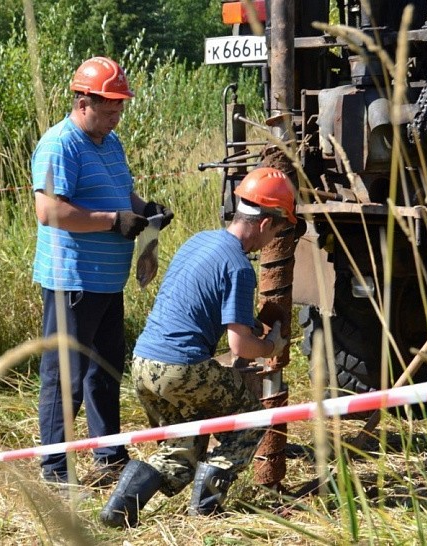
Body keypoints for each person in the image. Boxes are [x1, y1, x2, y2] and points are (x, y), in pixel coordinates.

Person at [99, 166, 296, 528]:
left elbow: (202, 303)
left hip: (143, 365)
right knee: (252, 421)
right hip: (181, 368)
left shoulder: (200, 241)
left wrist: (252, 324)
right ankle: (206, 510)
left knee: (182, 450)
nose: (274, 240)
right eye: (279, 230)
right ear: (267, 224)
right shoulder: (239, 266)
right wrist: (271, 344)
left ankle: (118, 508)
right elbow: (241, 346)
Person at [31, 56, 174, 487]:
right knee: (65, 376)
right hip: (72, 279)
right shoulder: (60, 144)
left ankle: (109, 455)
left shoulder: (110, 143)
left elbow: (122, 194)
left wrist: (145, 212)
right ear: (82, 102)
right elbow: (49, 210)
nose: (116, 117)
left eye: (119, 109)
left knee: (104, 369)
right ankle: (55, 468)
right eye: (109, 109)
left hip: (107, 280)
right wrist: (113, 221)